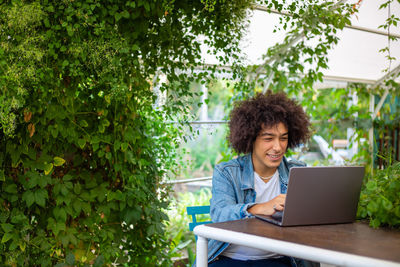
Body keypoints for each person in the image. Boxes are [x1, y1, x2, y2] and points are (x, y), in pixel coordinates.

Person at [207, 91, 315, 267]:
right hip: (230, 260)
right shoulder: (227, 172)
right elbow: (219, 214)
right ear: (250, 138)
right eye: (268, 138)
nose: (278, 147)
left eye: (283, 138)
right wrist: (259, 208)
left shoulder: (297, 171)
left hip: (277, 261)